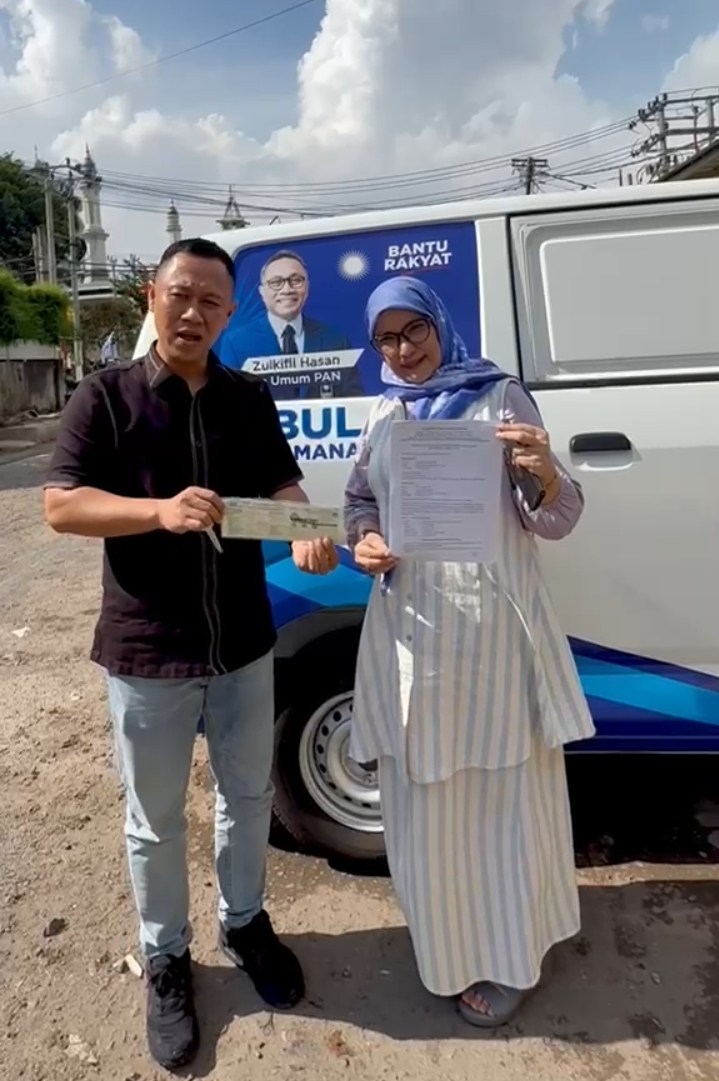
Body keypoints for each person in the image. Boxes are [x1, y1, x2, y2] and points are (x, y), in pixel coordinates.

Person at [43, 238, 339, 1072]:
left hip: (242, 643)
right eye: (181, 294)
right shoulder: (105, 397)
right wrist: (158, 511)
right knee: (155, 818)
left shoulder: (248, 398)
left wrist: (306, 531)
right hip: (147, 650)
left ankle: (243, 922)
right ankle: (166, 955)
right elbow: (61, 506)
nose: (194, 312)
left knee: (248, 795)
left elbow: (282, 485)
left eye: (212, 301)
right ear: (153, 295)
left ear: (228, 312)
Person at [343, 276, 595, 1029]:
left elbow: (556, 520)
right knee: (428, 812)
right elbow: (359, 501)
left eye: (413, 330)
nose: (402, 350)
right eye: (386, 338)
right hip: (411, 641)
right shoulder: (385, 411)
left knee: (500, 808)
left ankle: (512, 959)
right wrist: (365, 540)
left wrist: (543, 469)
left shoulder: (499, 398)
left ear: (438, 323)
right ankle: (448, 948)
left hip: (491, 644)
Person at [220, 249, 364, 399]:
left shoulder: (335, 340)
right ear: (262, 292)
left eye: (296, 281)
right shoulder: (235, 343)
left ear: (307, 287)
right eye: (276, 283)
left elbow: (354, 399)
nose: (287, 290)